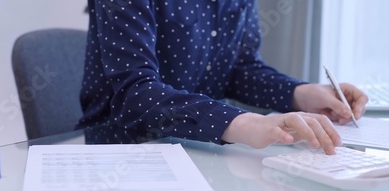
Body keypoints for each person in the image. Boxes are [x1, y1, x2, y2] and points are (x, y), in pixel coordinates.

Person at [76, 0, 368, 155]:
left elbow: (238, 69)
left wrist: (301, 93)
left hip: (198, 149)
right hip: (121, 153)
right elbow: (135, 94)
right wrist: (244, 123)